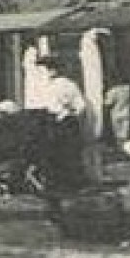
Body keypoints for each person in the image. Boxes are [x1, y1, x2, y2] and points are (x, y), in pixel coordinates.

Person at [33, 55, 89, 190]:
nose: (40, 74)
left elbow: (81, 106)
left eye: (43, 71)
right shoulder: (43, 86)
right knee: (51, 155)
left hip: (64, 123)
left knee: (67, 155)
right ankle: (54, 185)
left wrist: (66, 114)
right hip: (47, 123)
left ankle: (72, 187)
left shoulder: (66, 84)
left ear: (53, 71)